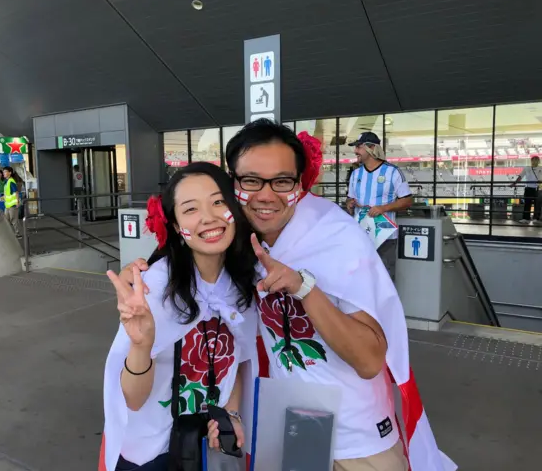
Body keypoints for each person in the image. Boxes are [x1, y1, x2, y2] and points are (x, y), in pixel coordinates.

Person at [119, 120, 455, 471]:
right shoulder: (243, 232)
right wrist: (146, 270)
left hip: (356, 437)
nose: (266, 195)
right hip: (294, 423)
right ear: (233, 183)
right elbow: (195, 246)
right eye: (251, 180)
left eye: (282, 181)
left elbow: (370, 361)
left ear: (300, 181)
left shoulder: (336, 236)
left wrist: (304, 287)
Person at [99, 162, 259, 471]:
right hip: (152, 456)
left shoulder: (240, 282)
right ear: (175, 226)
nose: (209, 217)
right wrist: (142, 346)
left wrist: (232, 415)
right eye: (190, 209)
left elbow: (238, 359)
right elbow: (131, 399)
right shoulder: (156, 288)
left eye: (218, 202)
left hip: (209, 445)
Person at [345, 132, 413, 281]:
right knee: (360, 277)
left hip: (385, 237)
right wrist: (349, 203)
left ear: (370, 148)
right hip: (361, 234)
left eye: (358, 147)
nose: (355, 151)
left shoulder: (392, 172)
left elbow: (407, 201)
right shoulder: (355, 174)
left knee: (384, 279)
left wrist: (383, 208)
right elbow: (350, 198)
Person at [511, 155, 541, 224]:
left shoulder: (541, 168)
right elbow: (520, 176)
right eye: (533, 160)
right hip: (528, 188)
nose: (535, 162)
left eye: (536, 160)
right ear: (531, 161)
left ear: (538, 161)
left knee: (537, 205)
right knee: (527, 204)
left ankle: (536, 218)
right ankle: (526, 218)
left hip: (538, 188)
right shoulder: (527, 168)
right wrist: (514, 183)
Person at [1, 166, 20, 236]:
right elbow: (8, 193)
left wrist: (17, 201)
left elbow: (16, 192)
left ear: (10, 173)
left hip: (13, 205)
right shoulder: (6, 181)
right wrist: (3, 197)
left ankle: (17, 234)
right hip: (7, 205)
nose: (4, 173)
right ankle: (10, 234)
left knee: (14, 220)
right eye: (3, 172)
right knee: (7, 220)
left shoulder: (11, 181)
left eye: (5, 172)